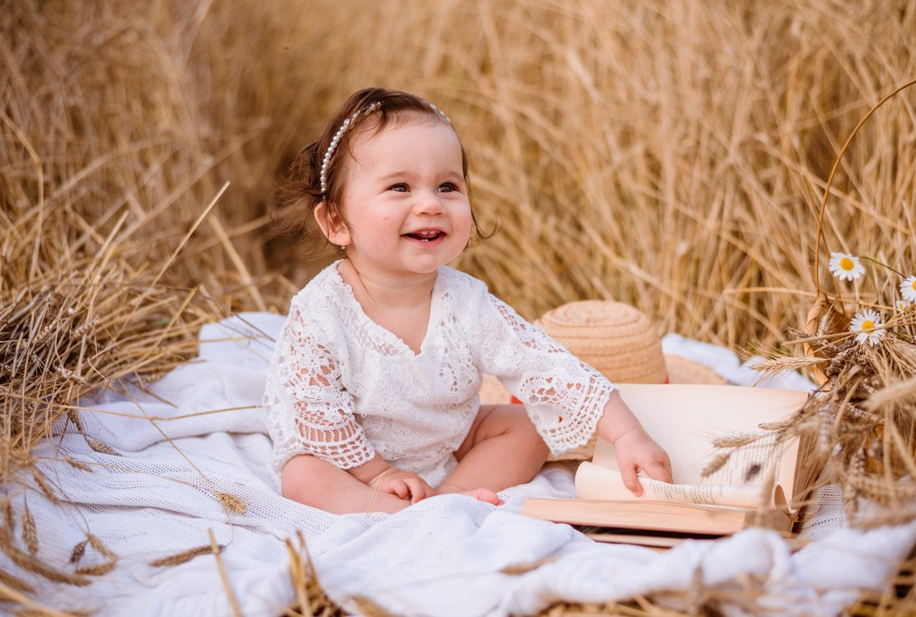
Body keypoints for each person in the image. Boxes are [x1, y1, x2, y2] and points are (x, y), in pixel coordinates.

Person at [264, 87, 672, 514]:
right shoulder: (322, 313)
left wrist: (627, 435)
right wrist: (379, 474)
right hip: (351, 460)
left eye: (447, 186)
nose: (429, 204)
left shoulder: (466, 303)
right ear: (335, 221)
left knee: (529, 428)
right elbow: (317, 414)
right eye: (400, 187)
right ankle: (387, 509)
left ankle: (449, 499)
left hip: (446, 439)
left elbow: (546, 364)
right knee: (303, 474)